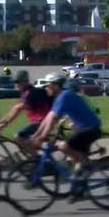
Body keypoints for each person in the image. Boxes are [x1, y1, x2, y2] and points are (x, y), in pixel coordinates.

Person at [30, 72, 102, 200]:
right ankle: (79, 190)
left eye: (48, 85)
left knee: (63, 146)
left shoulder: (64, 96)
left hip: (90, 128)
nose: (46, 88)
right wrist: (36, 134)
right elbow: (48, 118)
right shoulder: (60, 97)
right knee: (75, 160)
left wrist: (42, 137)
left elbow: (53, 120)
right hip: (83, 128)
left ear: (56, 86)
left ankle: (87, 166)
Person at [0, 70, 53, 156]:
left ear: (25, 81)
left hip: (41, 121)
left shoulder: (29, 93)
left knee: (18, 137)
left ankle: (38, 160)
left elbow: (17, 109)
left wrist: (3, 123)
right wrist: (2, 122)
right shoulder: (27, 92)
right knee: (28, 142)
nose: (16, 84)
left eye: (18, 82)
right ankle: (36, 156)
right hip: (40, 121)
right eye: (14, 82)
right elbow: (16, 108)